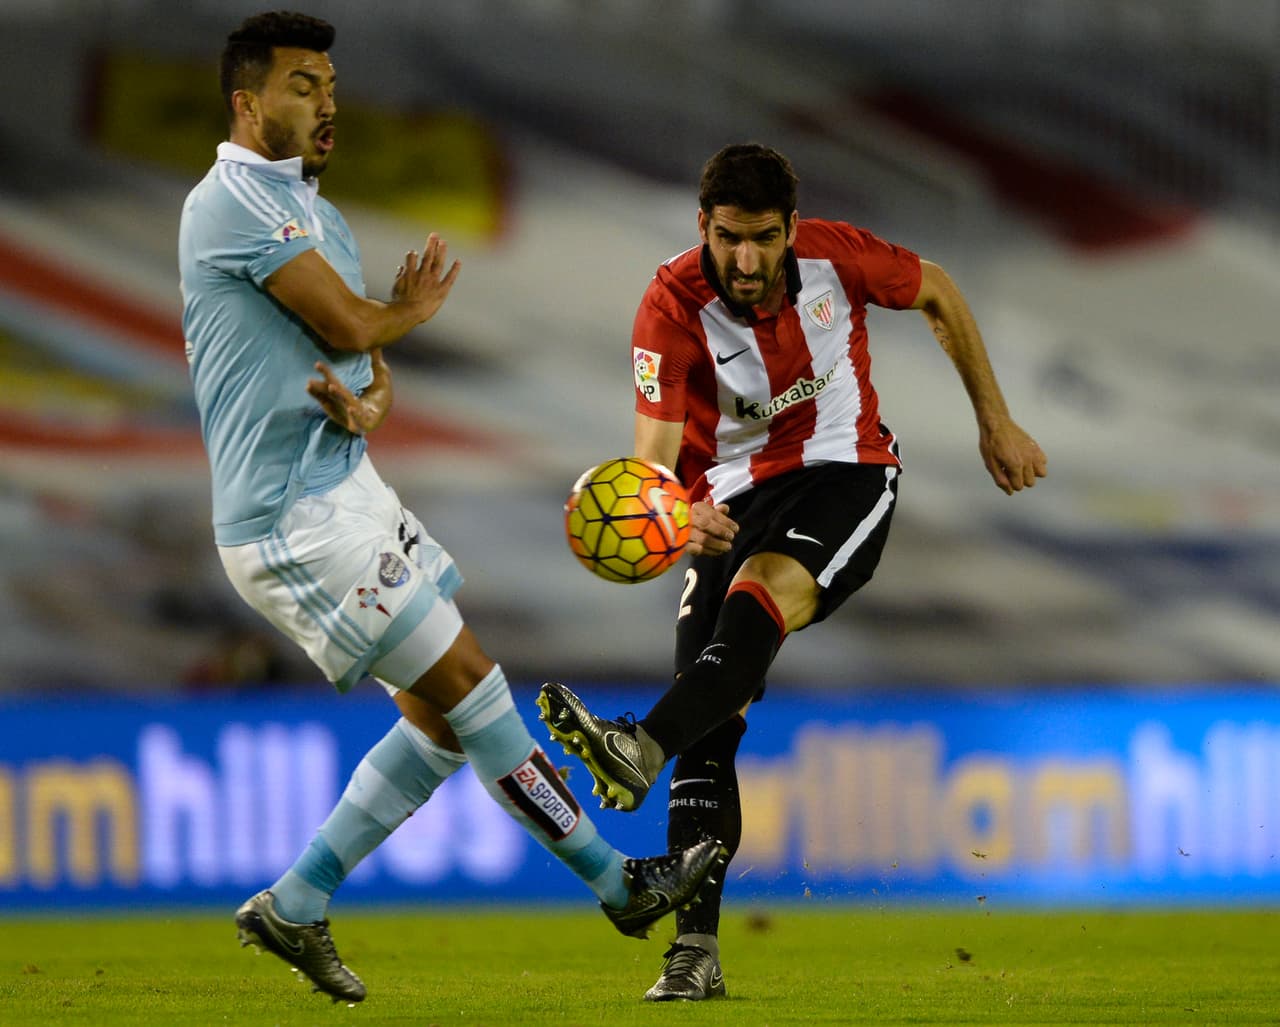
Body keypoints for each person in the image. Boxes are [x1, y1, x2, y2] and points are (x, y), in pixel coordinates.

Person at [178, 11, 721, 1005]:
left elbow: (361, 367)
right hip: (286, 520)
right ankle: (619, 882)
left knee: (437, 721)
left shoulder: (310, 211)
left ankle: (296, 904)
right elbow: (351, 320)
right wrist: (407, 314)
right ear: (247, 103)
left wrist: (367, 397)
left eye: (330, 83)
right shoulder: (231, 204)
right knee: (475, 686)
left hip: (346, 489)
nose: (327, 100)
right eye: (303, 85)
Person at [538, 142, 1047, 1002]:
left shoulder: (836, 259)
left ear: (791, 231)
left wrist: (994, 419)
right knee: (711, 712)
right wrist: (673, 510)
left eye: (764, 238)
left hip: (845, 472)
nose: (746, 259)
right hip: (727, 504)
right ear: (703, 226)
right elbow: (653, 458)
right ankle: (693, 953)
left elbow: (938, 289)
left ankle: (637, 746)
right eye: (730, 237)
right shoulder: (668, 307)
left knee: (756, 599)